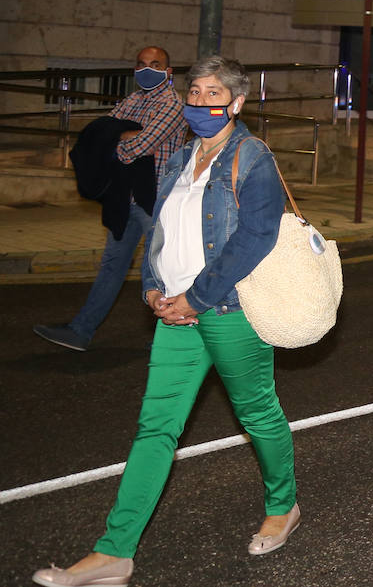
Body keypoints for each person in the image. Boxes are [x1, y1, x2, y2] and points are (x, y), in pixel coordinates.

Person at [32, 56, 297, 587]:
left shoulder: (253, 158)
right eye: (194, 93)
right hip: (174, 313)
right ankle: (115, 552)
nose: (200, 103)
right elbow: (159, 231)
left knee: (257, 413)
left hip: (227, 310)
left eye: (212, 94)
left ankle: (283, 504)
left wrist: (196, 298)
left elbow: (256, 237)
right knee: (156, 428)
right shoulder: (178, 157)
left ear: (238, 102)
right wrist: (152, 285)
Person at [34, 46, 187, 352]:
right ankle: (80, 331)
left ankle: (175, 336)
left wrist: (115, 138)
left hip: (156, 200)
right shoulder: (133, 99)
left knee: (159, 270)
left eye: (155, 65)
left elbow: (139, 145)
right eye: (141, 64)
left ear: (168, 72)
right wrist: (117, 135)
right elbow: (96, 133)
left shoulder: (172, 104)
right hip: (125, 199)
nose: (147, 70)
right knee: (112, 266)